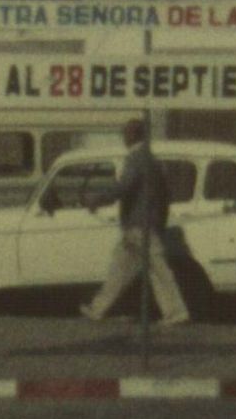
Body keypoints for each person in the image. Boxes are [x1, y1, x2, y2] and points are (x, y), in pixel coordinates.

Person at [79, 118, 191, 326]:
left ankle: (176, 312)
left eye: (125, 133)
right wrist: (160, 220)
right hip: (145, 224)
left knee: (157, 270)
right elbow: (165, 194)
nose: (123, 137)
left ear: (132, 135)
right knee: (120, 269)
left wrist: (97, 199)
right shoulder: (154, 160)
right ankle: (98, 308)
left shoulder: (136, 158)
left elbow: (124, 187)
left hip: (139, 225)